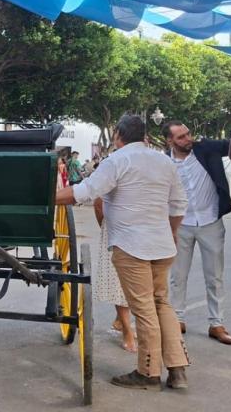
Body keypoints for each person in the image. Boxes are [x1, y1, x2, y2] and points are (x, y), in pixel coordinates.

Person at [56, 115, 189, 391]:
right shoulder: (165, 161)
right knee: (162, 303)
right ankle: (177, 370)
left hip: (132, 246)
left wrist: (44, 196)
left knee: (143, 308)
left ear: (118, 135)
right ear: (144, 136)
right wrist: (172, 232)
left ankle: (148, 372)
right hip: (162, 246)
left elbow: (85, 191)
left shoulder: (116, 161)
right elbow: (178, 205)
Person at [162, 121, 231, 345]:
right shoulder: (164, 163)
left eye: (188, 134)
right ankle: (177, 319)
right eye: (181, 137)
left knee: (214, 276)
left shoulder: (206, 149)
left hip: (210, 221)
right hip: (180, 224)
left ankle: (217, 323)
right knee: (178, 276)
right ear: (169, 141)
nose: (188, 139)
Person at [93, 196, 137, 353]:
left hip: (141, 226)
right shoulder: (111, 172)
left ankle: (120, 320)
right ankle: (127, 330)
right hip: (116, 227)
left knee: (137, 279)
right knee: (118, 280)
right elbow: (98, 203)